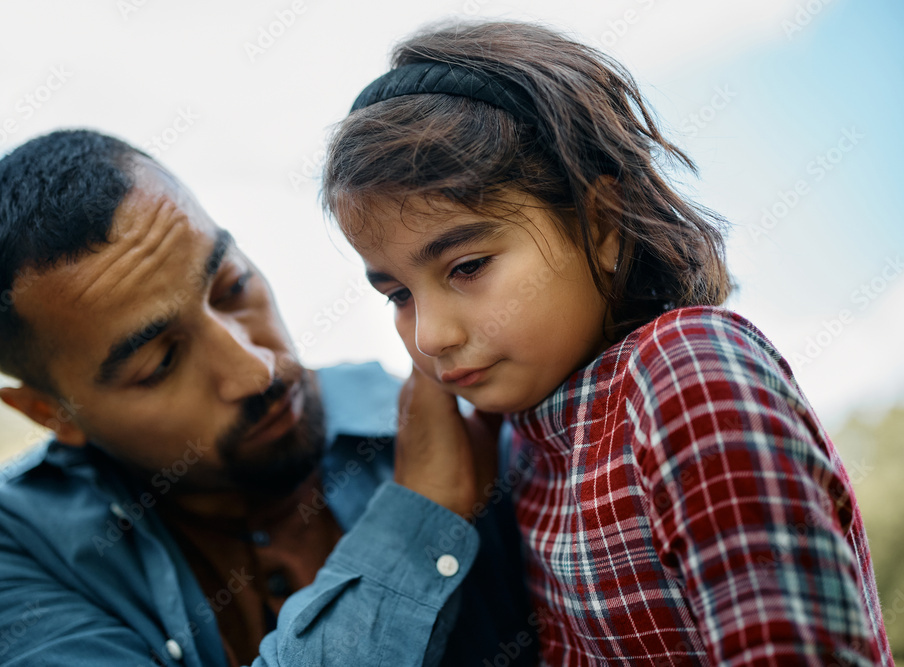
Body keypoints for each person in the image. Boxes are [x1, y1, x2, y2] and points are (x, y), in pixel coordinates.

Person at [322, 21, 893, 665]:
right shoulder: (520, 447)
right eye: (398, 294)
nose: (430, 335)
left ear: (600, 226)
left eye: (469, 266)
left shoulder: (686, 375)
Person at [0, 129, 539, 666]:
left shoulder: (473, 413)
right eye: (159, 362)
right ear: (51, 413)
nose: (255, 370)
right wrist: (420, 520)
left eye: (232, 287)